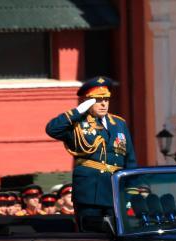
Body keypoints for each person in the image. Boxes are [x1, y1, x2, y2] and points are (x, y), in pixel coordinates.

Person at [45, 76, 136, 231]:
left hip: (114, 191)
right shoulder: (77, 124)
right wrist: (78, 111)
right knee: (91, 236)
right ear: (87, 102)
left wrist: (130, 191)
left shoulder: (119, 123)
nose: (103, 103)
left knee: (117, 236)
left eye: (106, 99)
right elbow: (52, 129)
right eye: (97, 99)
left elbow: (130, 159)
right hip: (90, 192)